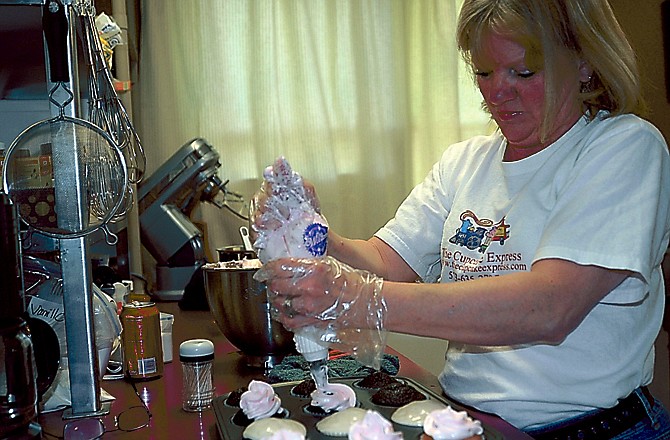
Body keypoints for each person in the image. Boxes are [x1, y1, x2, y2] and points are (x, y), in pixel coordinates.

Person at [252, 0, 670, 438]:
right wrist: (314, 235)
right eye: (484, 72)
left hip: (597, 430)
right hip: (470, 423)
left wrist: (359, 298)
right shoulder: (466, 161)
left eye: (523, 72)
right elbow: (382, 261)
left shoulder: (625, 148)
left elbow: (550, 307)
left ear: (585, 62)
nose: (497, 92)